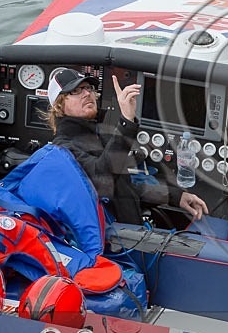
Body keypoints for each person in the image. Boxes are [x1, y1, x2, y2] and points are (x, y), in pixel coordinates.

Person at [47, 68, 208, 224]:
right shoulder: (62, 149)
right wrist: (126, 121)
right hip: (112, 240)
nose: (87, 93)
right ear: (58, 105)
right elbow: (103, 177)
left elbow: (128, 186)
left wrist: (176, 196)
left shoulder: (99, 135)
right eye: (76, 91)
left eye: (88, 88)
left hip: (130, 229)